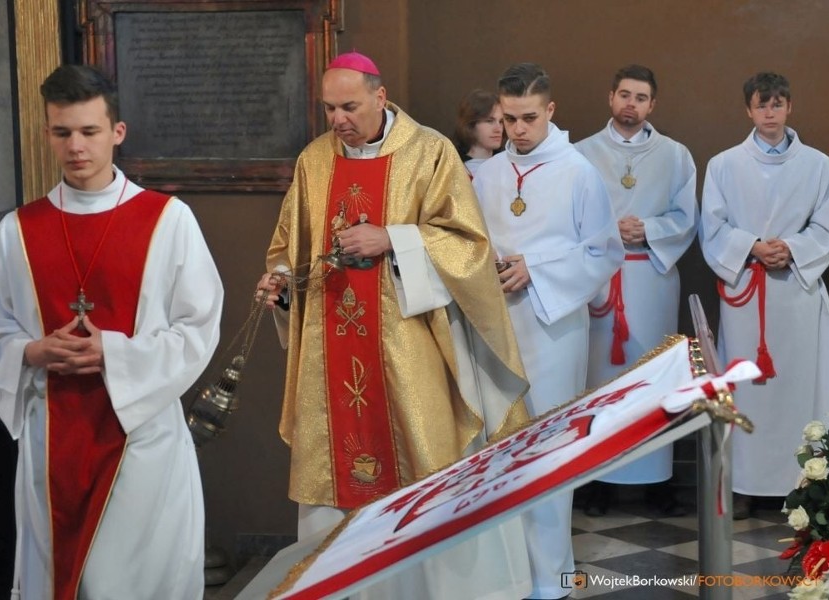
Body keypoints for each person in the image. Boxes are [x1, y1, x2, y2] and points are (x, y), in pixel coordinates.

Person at [257, 52, 532, 598]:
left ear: (380, 98)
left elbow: (471, 248)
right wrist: (282, 281)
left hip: (410, 349)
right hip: (330, 346)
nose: (338, 119)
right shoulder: (315, 160)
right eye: (330, 108)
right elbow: (288, 247)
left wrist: (394, 239)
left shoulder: (428, 152)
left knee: (424, 460)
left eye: (350, 107)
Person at [0, 65, 223, 598]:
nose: (76, 147)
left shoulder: (169, 220)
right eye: (62, 132)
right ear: (47, 133)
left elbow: (197, 327)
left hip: (141, 439)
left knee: (127, 581)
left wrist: (112, 354)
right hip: (51, 435)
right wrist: (30, 350)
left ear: (117, 132)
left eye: (89, 132)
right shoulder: (17, 231)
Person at [472, 62, 624, 600]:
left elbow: (604, 251)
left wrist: (533, 266)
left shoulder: (578, 171)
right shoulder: (484, 175)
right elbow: (469, 243)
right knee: (496, 449)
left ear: (551, 111)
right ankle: (505, 576)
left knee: (548, 448)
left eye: (529, 118)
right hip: (492, 326)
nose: (517, 129)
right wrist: (488, 264)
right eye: (508, 118)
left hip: (552, 327)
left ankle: (551, 579)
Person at [700, 72, 829, 520]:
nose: (770, 112)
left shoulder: (819, 165)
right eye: (762, 105)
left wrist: (791, 248)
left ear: (790, 107)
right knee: (744, 391)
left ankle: (797, 486)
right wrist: (752, 246)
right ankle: (742, 485)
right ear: (749, 110)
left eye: (778, 104)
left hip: (795, 294)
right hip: (747, 295)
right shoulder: (724, 165)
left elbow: (827, 226)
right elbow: (713, 227)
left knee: (798, 390)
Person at [575, 65, 699, 517]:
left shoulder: (676, 155)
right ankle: (597, 482)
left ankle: (657, 482)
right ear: (610, 98)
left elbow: (687, 219)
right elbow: (569, 218)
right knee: (599, 382)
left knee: (654, 378)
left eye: (641, 97)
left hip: (652, 279)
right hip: (599, 283)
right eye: (624, 94)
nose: (631, 104)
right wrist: (610, 230)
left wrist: (647, 228)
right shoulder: (581, 153)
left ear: (652, 105)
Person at [453, 89, 505, 178]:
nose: (498, 129)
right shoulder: (455, 171)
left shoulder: (510, 166)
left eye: (501, 121)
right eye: (489, 121)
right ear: (471, 124)